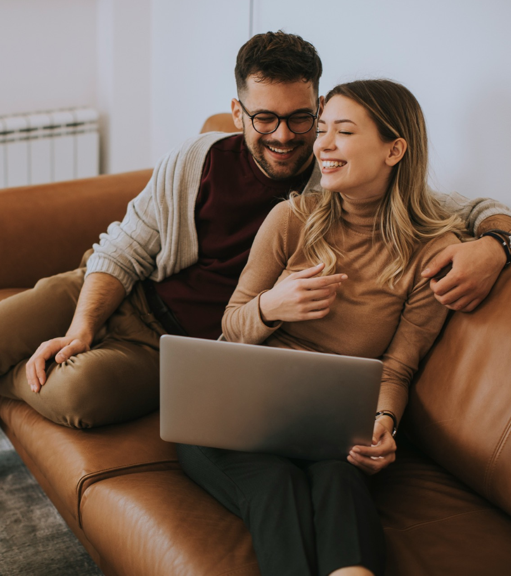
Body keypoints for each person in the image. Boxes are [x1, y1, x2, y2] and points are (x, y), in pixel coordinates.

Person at [0, 32, 511, 500]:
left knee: (74, 397)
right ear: (237, 111)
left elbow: (469, 208)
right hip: (121, 290)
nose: (287, 137)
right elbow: (126, 245)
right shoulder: (197, 159)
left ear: (319, 108)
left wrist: (496, 247)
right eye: (265, 118)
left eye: (303, 118)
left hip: (180, 346)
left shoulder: (337, 175)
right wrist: (81, 326)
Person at [177, 79, 472, 576]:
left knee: (341, 477)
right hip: (234, 415)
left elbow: (397, 367)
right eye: (323, 130)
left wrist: (384, 424)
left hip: (328, 429)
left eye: (344, 131)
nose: (323, 145)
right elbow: (232, 328)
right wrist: (273, 306)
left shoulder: (431, 251)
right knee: (276, 486)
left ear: (394, 149)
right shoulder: (291, 218)